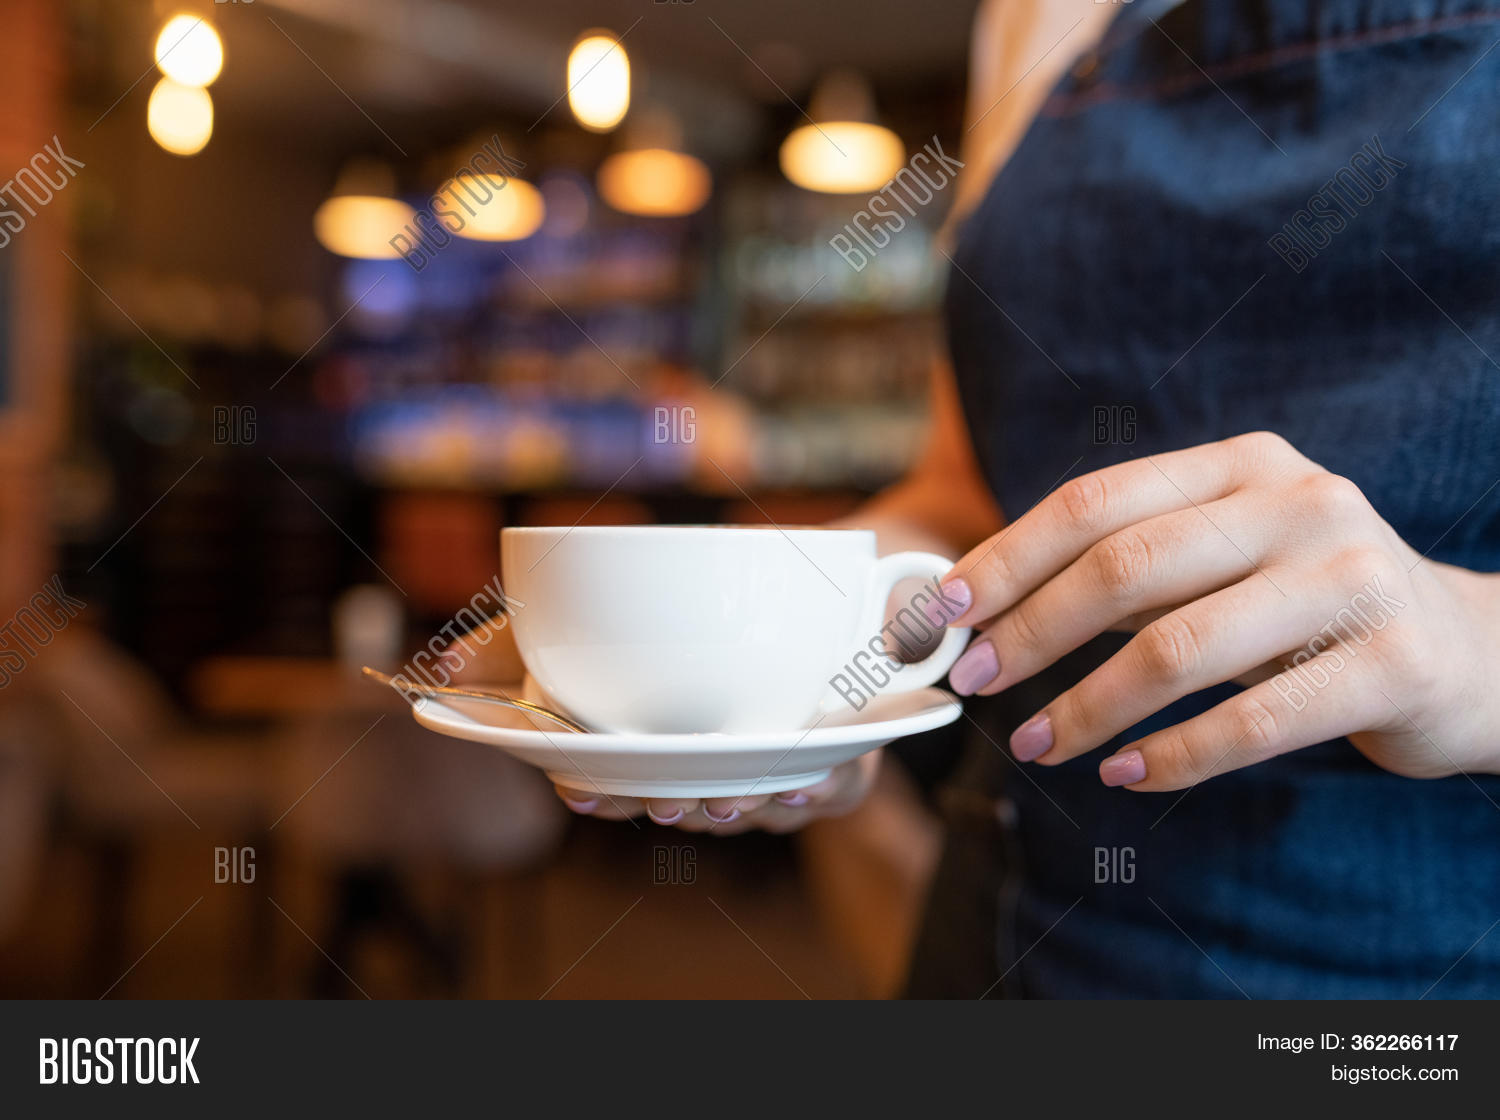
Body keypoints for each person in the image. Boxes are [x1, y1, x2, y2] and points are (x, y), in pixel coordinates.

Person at [459, 0, 1500, 996]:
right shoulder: (1037, 11)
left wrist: (1461, 641)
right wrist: (808, 676)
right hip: (1010, 927)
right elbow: (965, 494)